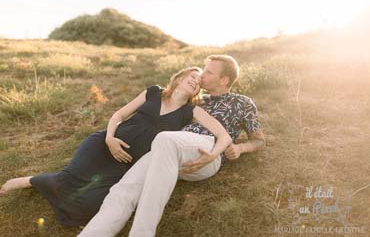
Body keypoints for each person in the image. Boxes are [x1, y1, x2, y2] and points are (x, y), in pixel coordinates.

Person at [0, 66, 232, 227]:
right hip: (103, 145)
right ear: (179, 78)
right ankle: (28, 181)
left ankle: (53, 189)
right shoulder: (154, 92)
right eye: (191, 75)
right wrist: (110, 139)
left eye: (199, 81)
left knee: (90, 205)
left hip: (127, 164)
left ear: (197, 91)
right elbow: (119, 114)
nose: (195, 80)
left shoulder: (190, 111)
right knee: (68, 180)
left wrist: (211, 156)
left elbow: (224, 136)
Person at [78, 54, 266, 237]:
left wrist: (239, 148)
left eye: (208, 72)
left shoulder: (243, 103)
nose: (202, 76)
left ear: (224, 80)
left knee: (164, 138)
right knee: (124, 190)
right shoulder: (197, 100)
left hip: (206, 151)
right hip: (172, 149)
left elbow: (259, 140)